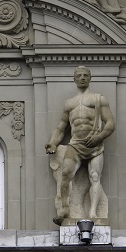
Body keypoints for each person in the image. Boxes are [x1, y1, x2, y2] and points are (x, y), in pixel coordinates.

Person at [45, 66, 116, 223]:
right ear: (74, 79)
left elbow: (110, 124)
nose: (82, 77)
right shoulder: (69, 104)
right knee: (65, 175)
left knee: (95, 176)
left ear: (90, 78)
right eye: (79, 75)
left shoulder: (99, 99)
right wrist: (53, 143)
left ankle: (92, 213)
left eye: (85, 75)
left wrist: (100, 137)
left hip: (94, 145)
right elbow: (61, 128)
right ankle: (64, 210)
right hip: (76, 144)